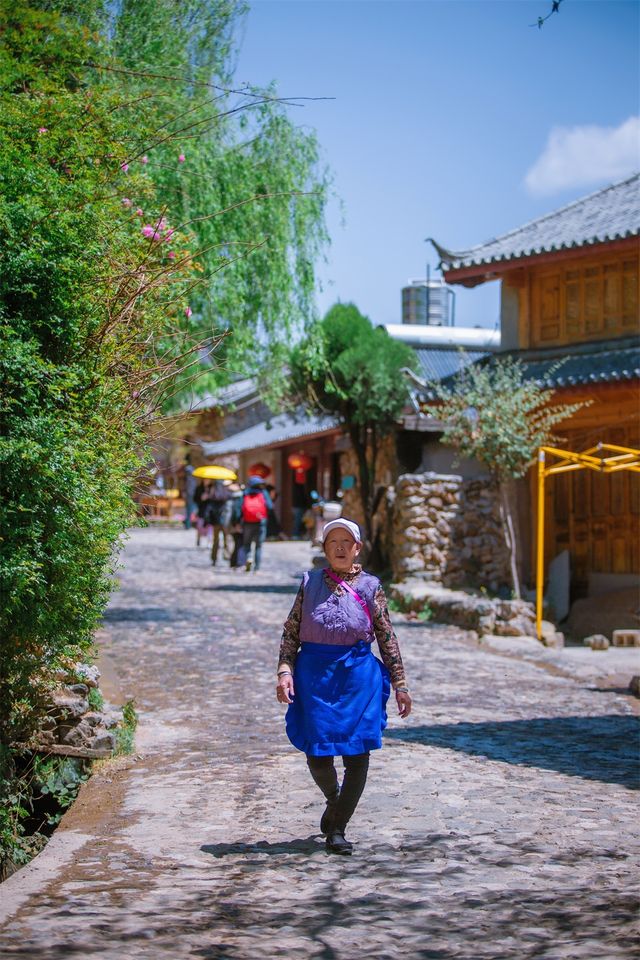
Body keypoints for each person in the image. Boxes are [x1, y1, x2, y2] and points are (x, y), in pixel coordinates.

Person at [276, 518, 412, 855]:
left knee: (357, 754)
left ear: (357, 548)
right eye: (332, 541)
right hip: (314, 679)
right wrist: (284, 670)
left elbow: (386, 635)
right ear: (324, 548)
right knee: (317, 754)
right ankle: (335, 799)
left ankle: (337, 827)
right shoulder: (309, 583)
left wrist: (400, 683)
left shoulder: (370, 587)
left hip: (357, 680)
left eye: (346, 541)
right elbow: (292, 631)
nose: (339, 547)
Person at [240, 476, 273, 572]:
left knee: (247, 544)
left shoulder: (245, 493)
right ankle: (257, 568)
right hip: (260, 522)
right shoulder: (263, 493)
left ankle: (248, 558)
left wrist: (237, 521)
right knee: (258, 546)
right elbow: (270, 506)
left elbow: (240, 509)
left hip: (247, 522)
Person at [206, 480, 232, 567]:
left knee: (215, 541)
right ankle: (227, 556)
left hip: (216, 522)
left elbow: (209, 509)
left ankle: (214, 558)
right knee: (226, 539)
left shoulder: (213, 495)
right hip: (225, 521)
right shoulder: (226, 494)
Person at [183, 455, 197, 530]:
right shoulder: (192, 476)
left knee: (189, 509)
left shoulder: (189, 476)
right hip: (191, 494)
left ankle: (188, 524)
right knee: (190, 509)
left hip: (190, 494)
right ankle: (188, 524)